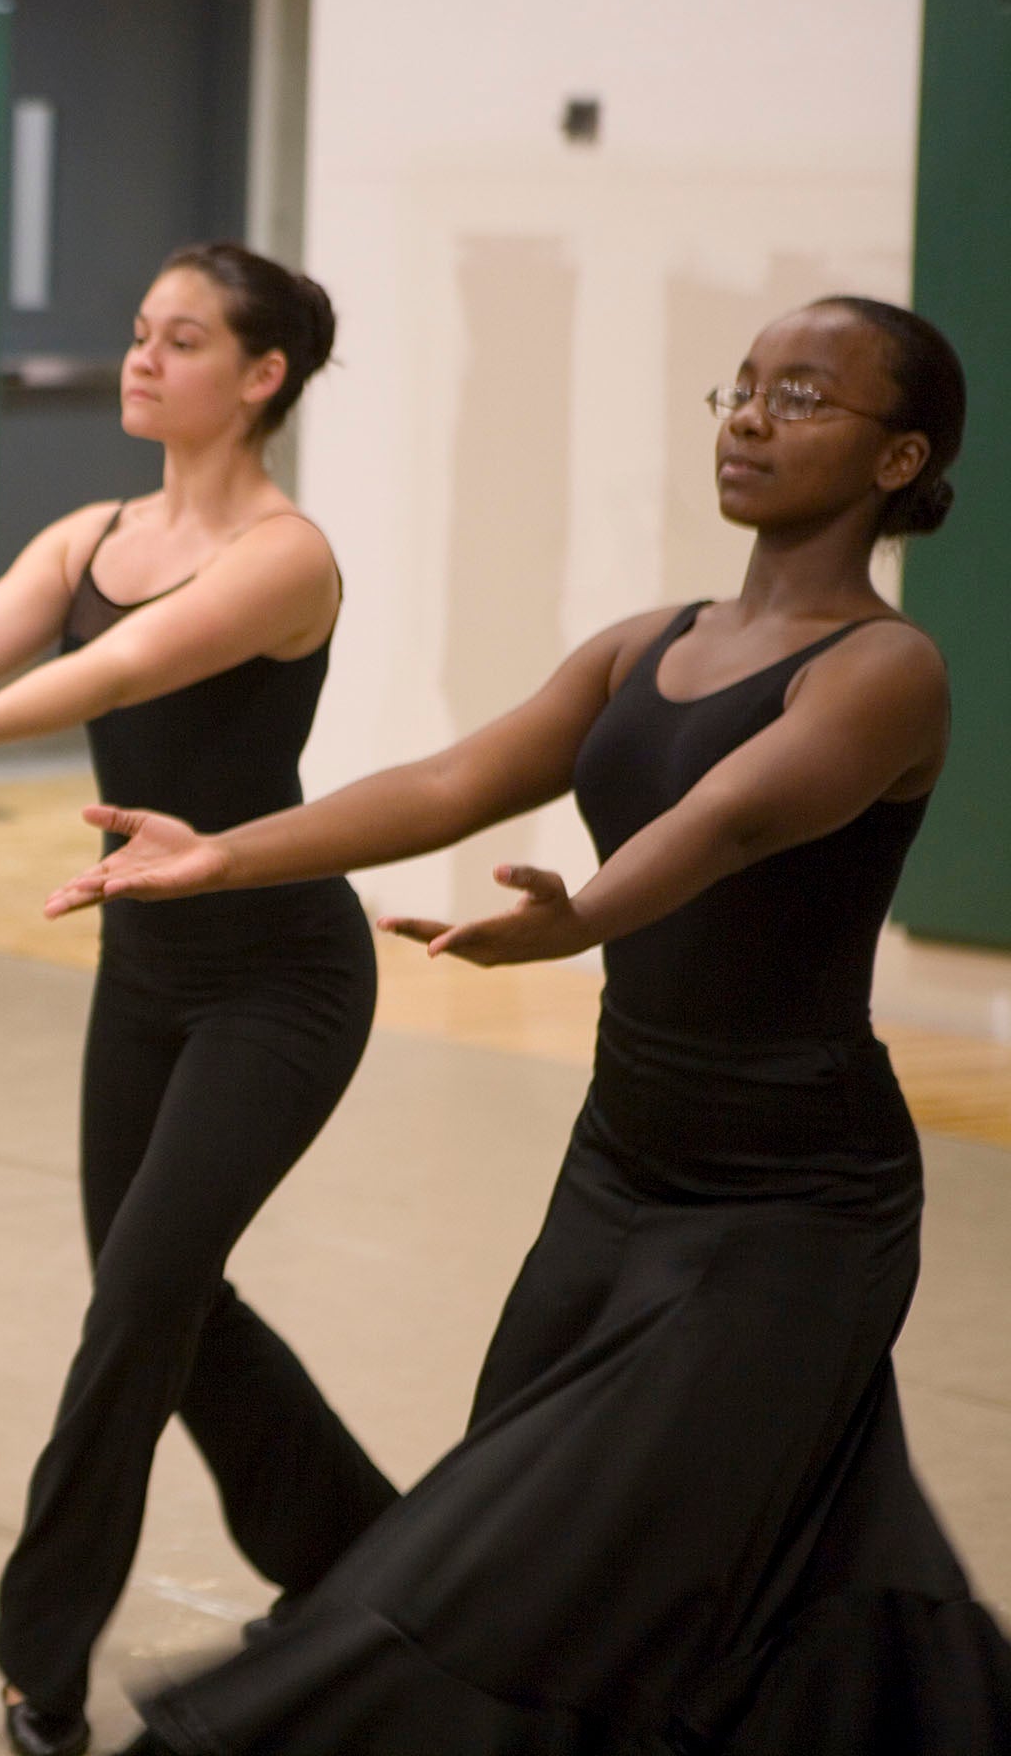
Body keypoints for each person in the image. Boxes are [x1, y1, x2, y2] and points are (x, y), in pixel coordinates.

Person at [52, 299, 1011, 1754]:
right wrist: (224, 851)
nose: (749, 419)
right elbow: (450, 783)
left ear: (901, 460)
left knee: (546, 1549)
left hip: (794, 1203)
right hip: (620, 1162)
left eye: (800, 398)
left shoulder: (886, 672)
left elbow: (734, 815)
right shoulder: (647, 644)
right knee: (709, 1538)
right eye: (739, 390)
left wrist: (590, 915)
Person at [0, 244, 392, 1755]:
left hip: (278, 978)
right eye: (138, 333)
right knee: (169, 1300)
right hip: (145, 972)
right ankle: (369, 1554)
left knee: (137, 1310)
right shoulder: (90, 531)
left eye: (181, 340)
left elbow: (110, 680)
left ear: (263, 375)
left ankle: (41, 1657)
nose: (141, 361)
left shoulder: (284, 554)